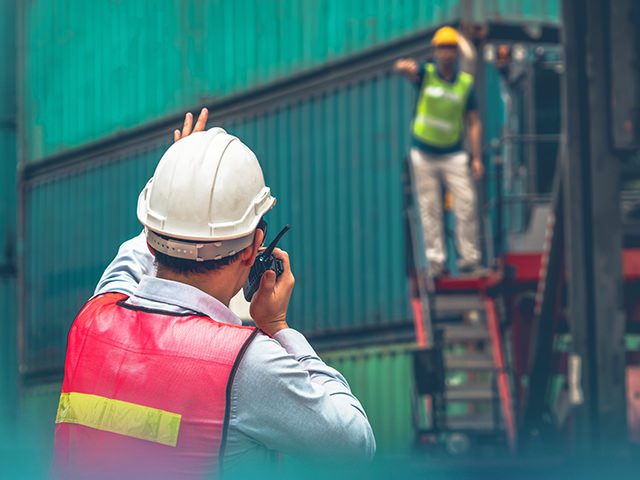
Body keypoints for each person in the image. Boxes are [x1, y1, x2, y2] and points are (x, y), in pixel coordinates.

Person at [53, 108, 375, 478]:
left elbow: (138, 251)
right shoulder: (247, 364)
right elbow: (354, 446)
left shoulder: (94, 318)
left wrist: (180, 186)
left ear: (154, 233)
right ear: (255, 248)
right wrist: (279, 325)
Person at [394, 26, 484, 276]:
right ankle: (436, 262)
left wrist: (476, 158)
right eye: (441, 48)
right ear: (434, 51)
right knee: (429, 207)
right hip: (424, 153)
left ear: (456, 52)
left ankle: (469, 259)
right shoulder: (426, 74)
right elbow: (402, 68)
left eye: (450, 48)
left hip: (454, 153)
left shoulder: (465, 84)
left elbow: (474, 122)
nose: (445, 53)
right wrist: (404, 67)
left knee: (466, 204)